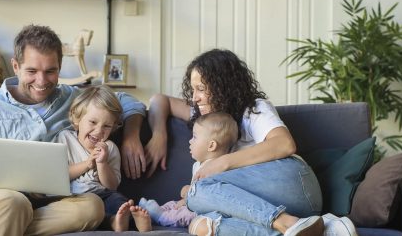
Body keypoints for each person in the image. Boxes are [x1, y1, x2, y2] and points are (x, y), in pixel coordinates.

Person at [0, 25, 147, 236]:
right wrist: (2, 176)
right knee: (14, 202)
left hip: (52, 201)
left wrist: (131, 137)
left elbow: (128, 102)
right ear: (15, 66)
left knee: (92, 207)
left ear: (60, 67)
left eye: (50, 71)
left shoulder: (73, 98)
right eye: (32, 71)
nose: (42, 81)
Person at [145, 49, 357, 236]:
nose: (195, 98)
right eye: (193, 90)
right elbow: (159, 101)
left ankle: (285, 222)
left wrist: (222, 163)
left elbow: (285, 144)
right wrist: (158, 136)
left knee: (197, 191)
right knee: (201, 224)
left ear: (222, 87)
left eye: (201, 89)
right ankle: (321, 229)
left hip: (295, 185)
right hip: (279, 207)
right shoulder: (206, 117)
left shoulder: (253, 109)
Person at [57, 85, 152, 232]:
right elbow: (59, 174)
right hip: (72, 196)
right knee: (83, 209)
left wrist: (102, 164)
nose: (99, 131)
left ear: (114, 127)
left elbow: (112, 185)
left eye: (107, 126)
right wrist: (87, 164)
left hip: (103, 194)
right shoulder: (65, 138)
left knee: (119, 201)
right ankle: (114, 222)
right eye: (93, 122)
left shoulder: (110, 148)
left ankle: (133, 222)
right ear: (77, 119)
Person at [139, 112, 238, 228]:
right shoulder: (198, 165)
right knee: (174, 204)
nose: (190, 141)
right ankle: (154, 211)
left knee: (185, 214)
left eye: (195, 137)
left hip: (204, 211)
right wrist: (186, 198)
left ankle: (163, 217)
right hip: (192, 203)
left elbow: (207, 197)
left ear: (211, 146)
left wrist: (188, 192)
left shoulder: (216, 169)